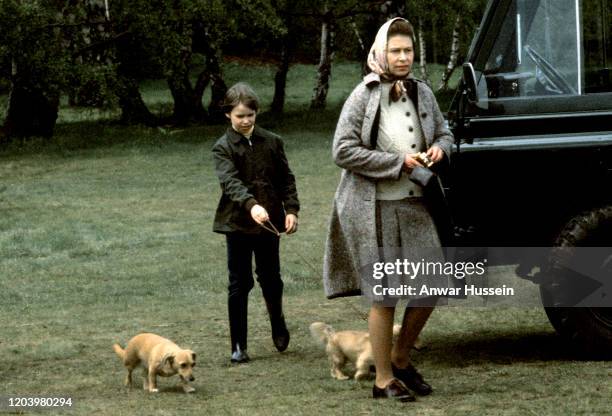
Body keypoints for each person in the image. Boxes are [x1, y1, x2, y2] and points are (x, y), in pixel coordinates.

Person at [323, 18, 453, 402]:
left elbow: (444, 131)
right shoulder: (362, 96)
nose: (402, 57)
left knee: (431, 286)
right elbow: (341, 151)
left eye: (407, 51)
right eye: (395, 50)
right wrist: (398, 163)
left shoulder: (423, 92)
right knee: (385, 296)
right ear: (381, 52)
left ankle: (400, 356)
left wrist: (441, 148)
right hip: (375, 210)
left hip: (416, 207)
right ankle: (382, 380)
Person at [212, 82, 300, 364]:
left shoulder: (272, 141)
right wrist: (252, 206)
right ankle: (238, 344)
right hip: (237, 224)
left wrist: (291, 210)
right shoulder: (223, 147)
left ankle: (278, 324)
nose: (246, 120)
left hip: (269, 223)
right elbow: (230, 183)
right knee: (239, 282)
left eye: (250, 115)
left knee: (271, 278)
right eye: (240, 116)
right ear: (228, 115)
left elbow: (287, 179)